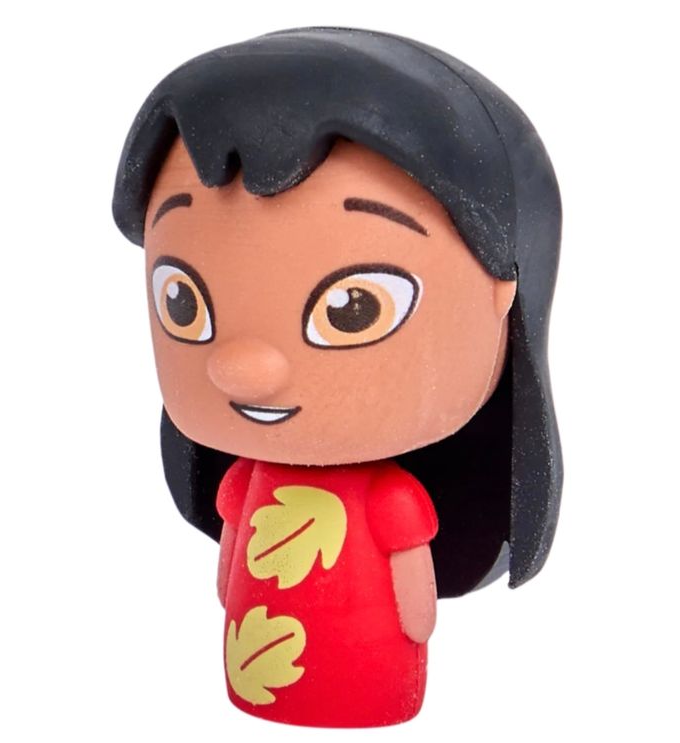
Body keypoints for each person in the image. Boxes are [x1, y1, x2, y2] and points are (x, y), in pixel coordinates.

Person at [112, 26, 562, 727]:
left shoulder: (390, 499)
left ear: (502, 292)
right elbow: (232, 570)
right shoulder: (245, 481)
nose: (243, 366)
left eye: (355, 307)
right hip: (253, 672)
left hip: (371, 681)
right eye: (182, 301)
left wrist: (415, 626)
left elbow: (413, 602)